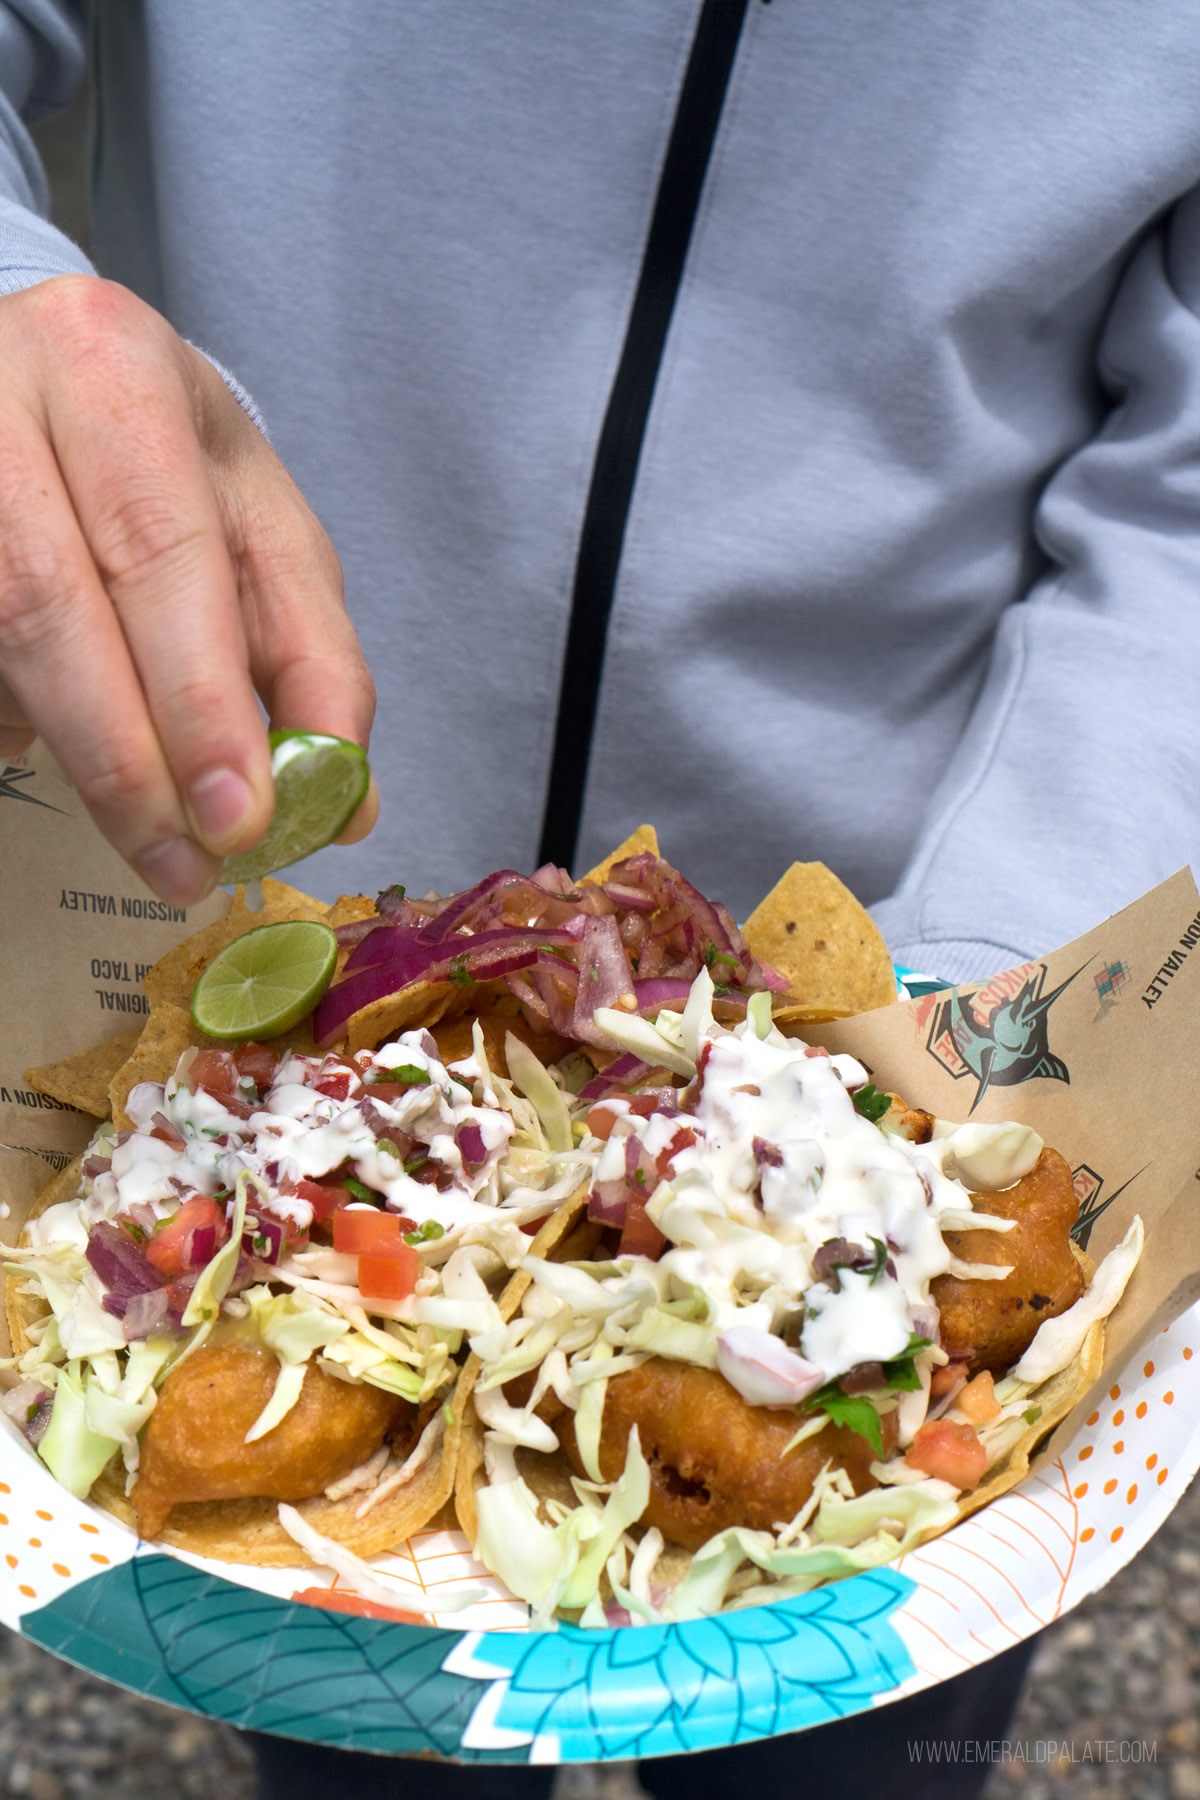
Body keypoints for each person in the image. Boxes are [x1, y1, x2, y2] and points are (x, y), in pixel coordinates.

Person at [0, 3, 1195, 1794]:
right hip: (273, 935)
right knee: (356, 1769)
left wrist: (979, 1027)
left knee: (866, 1771)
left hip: (916, 1015)